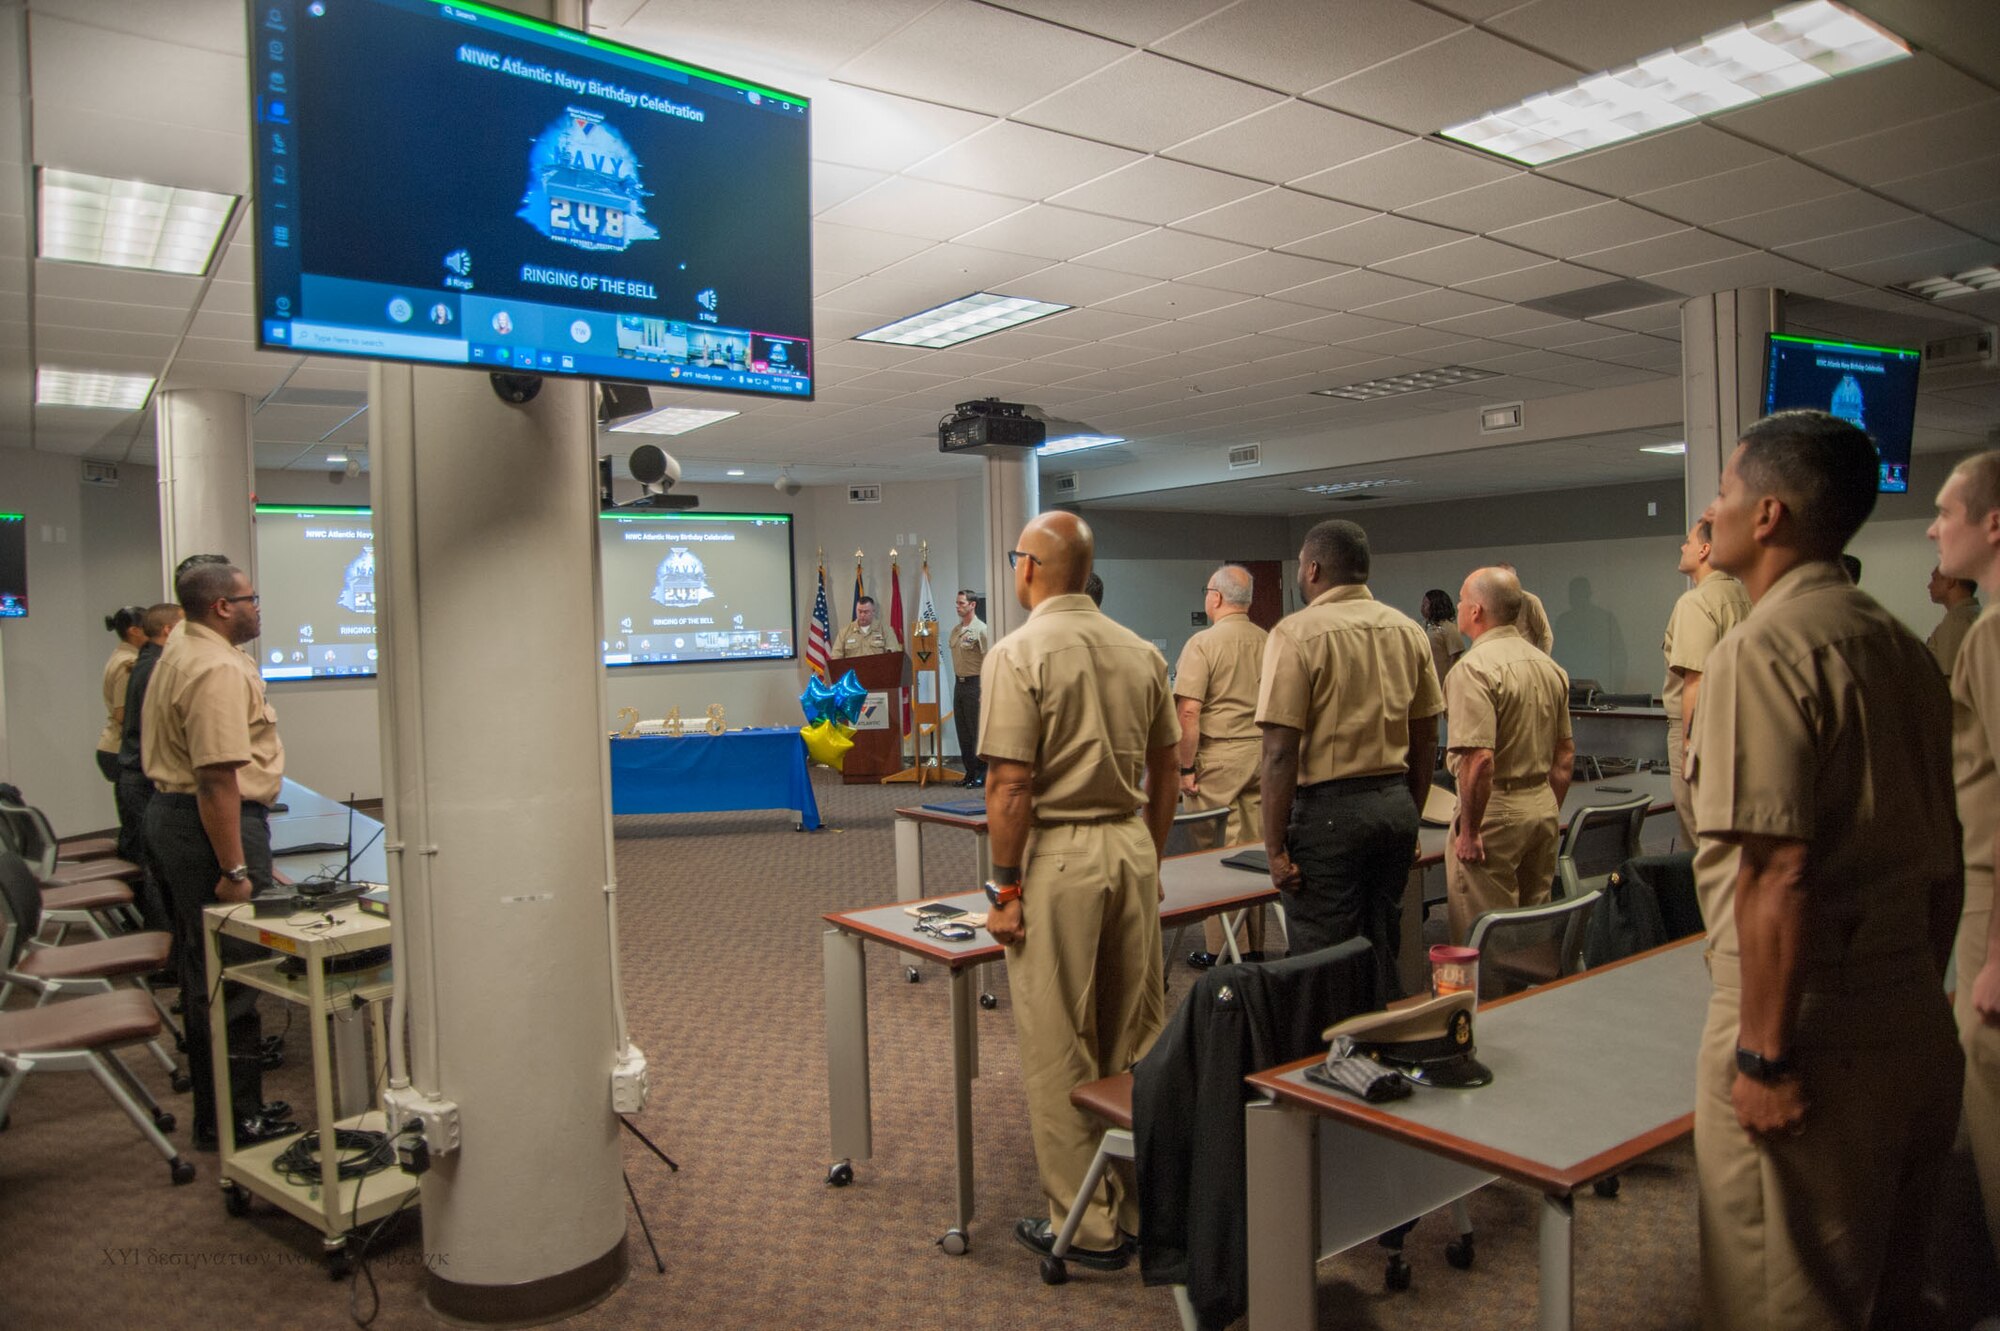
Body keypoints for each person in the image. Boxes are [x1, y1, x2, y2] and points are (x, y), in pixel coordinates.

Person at [1690, 411, 1961, 1331]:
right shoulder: (1903, 646)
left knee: (1781, 1295)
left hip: (1807, 1022)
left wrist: (1765, 1054)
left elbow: (1776, 869)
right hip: (1910, 1012)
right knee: (1885, 1285)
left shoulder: (1762, 650)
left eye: (1723, 491)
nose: (1711, 508)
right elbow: (1946, 856)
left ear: (1767, 515)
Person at [978, 511, 1178, 1272]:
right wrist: (1148, 857)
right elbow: (1168, 767)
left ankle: (1086, 1226)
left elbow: (1010, 783)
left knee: (1060, 1041)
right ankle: (1132, 1200)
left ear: (1029, 567)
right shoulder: (1140, 649)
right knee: (1134, 1035)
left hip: (1058, 856)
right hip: (1129, 845)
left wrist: (1005, 886)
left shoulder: (1018, 651)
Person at [142, 562, 298, 1151]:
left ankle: (222, 1115)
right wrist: (237, 870)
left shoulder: (182, 645)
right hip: (206, 827)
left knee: (203, 970)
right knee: (231, 974)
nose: (258, 606)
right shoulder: (213, 667)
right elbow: (215, 780)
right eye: (250, 598)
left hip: (181, 821)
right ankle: (238, 1120)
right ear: (222, 608)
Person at [1257, 521, 1440, 987]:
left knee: (1325, 958)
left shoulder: (1296, 633)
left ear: (1313, 568)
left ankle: (1332, 1056)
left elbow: (1279, 752)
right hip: (1394, 806)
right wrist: (1411, 818)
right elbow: (1426, 740)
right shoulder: (1408, 631)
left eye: (1300, 564)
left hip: (1328, 816)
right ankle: (1381, 1047)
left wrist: (1275, 848)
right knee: (1382, 944)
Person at [1929, 449, 2000, 1269]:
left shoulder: (1986, 640)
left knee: (1989, 1119)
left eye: (1948, 512)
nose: (1934, 526)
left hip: (1991, 898)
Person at [1443, 567, 1572, 945]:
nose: (1459, 607)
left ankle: (1493, 1004)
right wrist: (1548, 808)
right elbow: (1564, 757)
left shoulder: (1474, 669)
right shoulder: (1550, 667)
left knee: (1484, 936)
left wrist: (1469, 830)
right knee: (1533, 932)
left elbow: (1479, 760)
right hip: (1542, 806)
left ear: (1477, 611)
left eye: (1462, 599)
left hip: (1493, 811)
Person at [1174, 565, 1267, 967]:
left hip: (1218, 759)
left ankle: (1224, 952)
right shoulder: (1270, 640)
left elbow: (1189, 713)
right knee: (1254, 850)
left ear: (1215, 597)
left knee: (1216, 855)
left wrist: (1184, 768)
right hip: (1264, 755)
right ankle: (1255, 945)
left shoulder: (1203, 643)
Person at [1660, 519, 1751, 850]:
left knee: (1700, 839)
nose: (1683, 547)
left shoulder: (1696, 602)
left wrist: (1688, 748)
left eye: (1688, 541)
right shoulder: (1746, 595)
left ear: (1705, 549)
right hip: (1741, 728)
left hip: (1703, 733)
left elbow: (1694, 681)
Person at [115, 603, 183, 938]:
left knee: (155, 864)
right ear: (169, 630)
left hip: (135, 777)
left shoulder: (147, 662)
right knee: (158, 868)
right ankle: (164, 950)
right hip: (142, 781)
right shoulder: (156, 666)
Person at [95, 605, 147, 782]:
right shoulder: (129, 663)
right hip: (120, 749)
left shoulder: (121, 655)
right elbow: (122, 713)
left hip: (115, 748)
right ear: (134, 631)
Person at [947, 590, 988, 788]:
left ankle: (982, 773)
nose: (957, 606)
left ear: (972, 605)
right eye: (956, 603)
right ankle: (969, 773)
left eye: (961, 603)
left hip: (976, 684)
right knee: (962, 732)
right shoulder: (956, 630)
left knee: (976, 731)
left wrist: (986, 689)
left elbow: (989, 660)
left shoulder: (981, 629)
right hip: (960, 685)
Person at [1925, 562, 1980, 676]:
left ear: (1950, 580)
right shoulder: (1977, 613)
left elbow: (1949, 678)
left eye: (1935, 579)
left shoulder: (1956, 621)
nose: (1929, 585)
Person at [1499, 562, 1554, 653]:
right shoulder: (1490, 603)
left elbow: (1546, 635)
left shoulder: (1529, 601)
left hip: (1524, 657)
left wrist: (1540, 662)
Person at [1419, 589, 1464, 694]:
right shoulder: (1423, 626)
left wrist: (1448, 681)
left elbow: (1455, 656)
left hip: (1442, 681)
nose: (1422, 607)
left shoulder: (1449, 628)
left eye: (1426, 604)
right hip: (1426, 679)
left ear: (1435, 605)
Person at [831, 594, 899, 658]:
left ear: (873, 611)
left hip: (878, 669)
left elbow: (893, 656)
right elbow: (836, 657)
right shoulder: (844, 632)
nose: (862, 615)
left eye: (866, 612)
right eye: (860, 612)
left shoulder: (886, 630)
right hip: (853, 670)